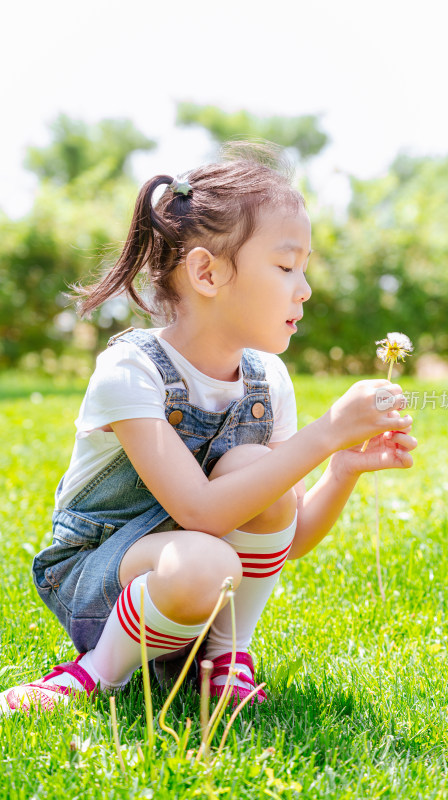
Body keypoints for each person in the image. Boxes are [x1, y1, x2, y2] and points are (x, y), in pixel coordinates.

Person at [0, 144, 416, 714]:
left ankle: (225, 659)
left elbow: (283, 537)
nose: (305, 288)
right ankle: (93, 672)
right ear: (207, 272)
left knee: (252, 476)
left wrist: (341, 465)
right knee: (207, 558)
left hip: (196, 593)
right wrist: (324, 433)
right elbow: (200, 514)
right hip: (102, 582)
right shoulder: (132, 370)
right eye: (285, 265)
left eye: (305, 268)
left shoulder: (267, 379)